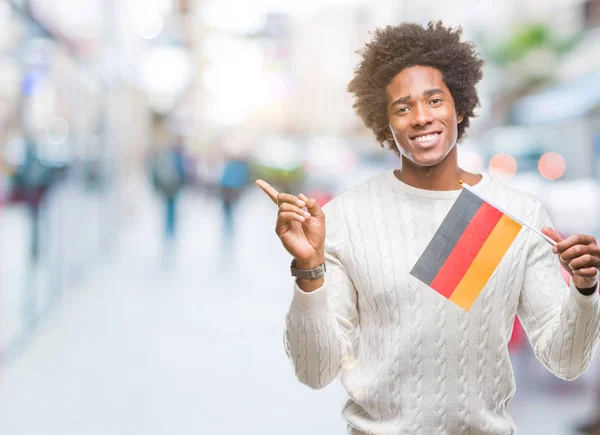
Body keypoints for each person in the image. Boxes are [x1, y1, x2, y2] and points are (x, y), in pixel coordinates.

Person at [256, 21, 600, 434]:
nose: (421, 118)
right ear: (386, 124)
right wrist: (309, 271)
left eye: (434, 100)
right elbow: (314, 371)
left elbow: (566, 361)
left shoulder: (514, 212)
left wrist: (583, 290)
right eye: (403, 108)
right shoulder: (347, 219)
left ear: (458, 107)